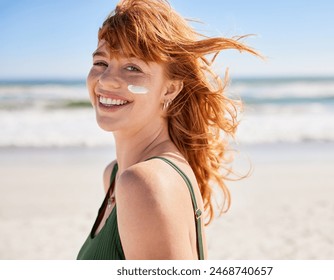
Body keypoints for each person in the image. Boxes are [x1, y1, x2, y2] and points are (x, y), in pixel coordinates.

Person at [77, 0, 259, 260]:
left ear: (170, 89)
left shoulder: (143, 183)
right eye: (101, 63)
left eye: (133, 68)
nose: (106, 80)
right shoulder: (116, 175)